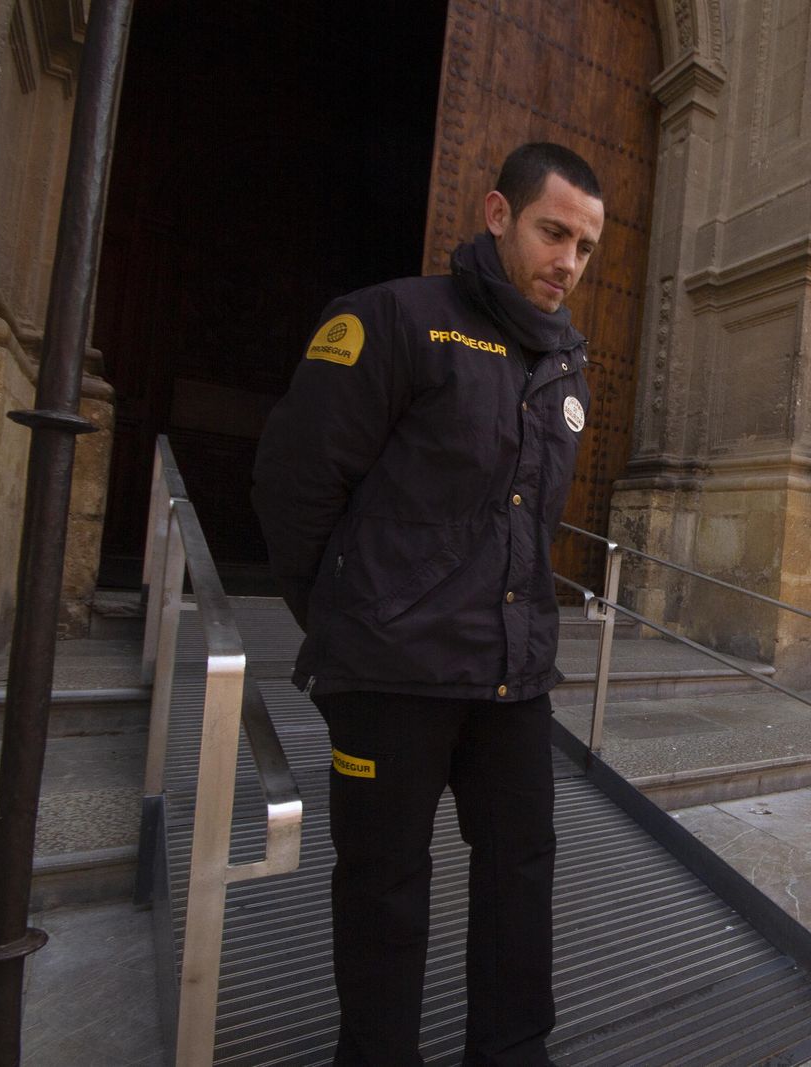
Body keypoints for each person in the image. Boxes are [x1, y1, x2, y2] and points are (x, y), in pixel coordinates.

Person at [251, 142, 604, 1066]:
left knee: (522, 876)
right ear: (498, 216)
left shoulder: (567, 369)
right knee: (385, 890)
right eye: (552, 231)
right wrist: (347, 622)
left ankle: (513, 1051)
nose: (568, 260)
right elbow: (295, 486)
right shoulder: (396, 320)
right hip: (391, 678)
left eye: (585, 246)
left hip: (512, 684)